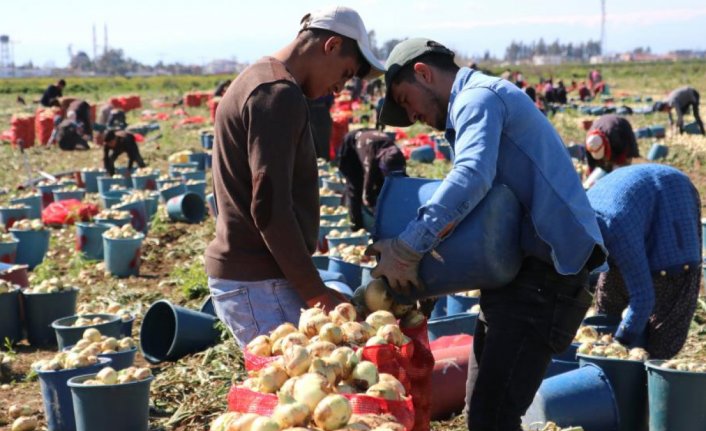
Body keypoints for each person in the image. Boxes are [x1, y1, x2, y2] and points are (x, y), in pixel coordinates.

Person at [373, 38, 606, 431]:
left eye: (406, 98)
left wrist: (408, 246)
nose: (412, 114)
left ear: (423, 73)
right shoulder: (476, 102)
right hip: (520, 278)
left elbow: (471, 177)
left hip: (546, 278)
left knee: (492, 416)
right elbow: (485, 211)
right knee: (484, 410)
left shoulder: (477, 98)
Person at [204, 6, 384, 346]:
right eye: (345, 74)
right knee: (291, 393)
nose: (339, 88)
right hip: (258, 280)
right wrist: (316, 293)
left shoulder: (260, 78)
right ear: (330, 46)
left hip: (256, 276)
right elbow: (269, 207)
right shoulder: (278, 94)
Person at [587, 164, 701, 359]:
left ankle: (646, 384)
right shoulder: (579, 220)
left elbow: (643, 299)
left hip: (672, 222)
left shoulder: (614, 228)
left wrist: (618, 344)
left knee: (661, 340)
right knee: (607, 310)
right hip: (633, 212)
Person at [338, 129, 406, 230]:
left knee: (382, 186)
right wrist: (374, 210)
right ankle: (356, 225)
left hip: (371, 140)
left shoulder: (398, 157)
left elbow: (403, 184)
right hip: (351, 144)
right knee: (355, 186)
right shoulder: (371, 161)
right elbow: (367, 194)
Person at [308, 94, 335, 160]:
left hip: (316, 112)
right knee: (319, 140)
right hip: (319, 111)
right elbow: (330, 99)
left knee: (319, 140)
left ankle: (322, 161)